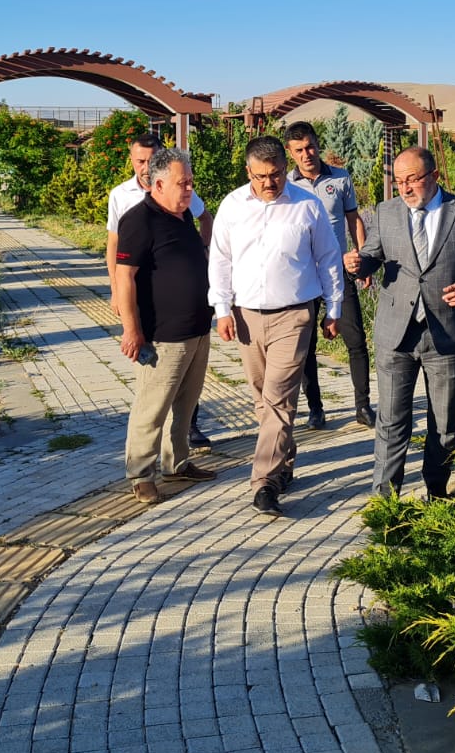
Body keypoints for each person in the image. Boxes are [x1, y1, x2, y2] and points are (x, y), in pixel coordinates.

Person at [345, 146, 455, 499]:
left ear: (434, 176)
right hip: (396, 334)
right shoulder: (386, 213)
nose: (405, 188)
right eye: (398, 181)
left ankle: (437, 493)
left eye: (412, 179)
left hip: (446, 334)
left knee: (444, 425)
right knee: (390, 421)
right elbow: (372, 256)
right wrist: (358, 266)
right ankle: (385, 501)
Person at [209, 135, 343, 517]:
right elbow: (220, 260)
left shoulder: (307, 206)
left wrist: (334, 309)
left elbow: (329, 258)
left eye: (278, 174)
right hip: (246, 315)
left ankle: (264, 483)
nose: (271, 183)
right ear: (248, 171)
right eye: (263, 176)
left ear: (286, 169)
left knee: (279, 400)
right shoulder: (232, 206)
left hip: (294, 314)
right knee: (262, 400)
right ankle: (283, 463)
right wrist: (221, 309)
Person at [114, 147, 218, 504]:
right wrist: (131, 329)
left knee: (187, 405)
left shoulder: (182, 215)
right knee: (152, 407)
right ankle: (141, 474)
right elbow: (124, 277)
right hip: (162, 336)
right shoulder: (138, 220)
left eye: (190, 182)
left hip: (198, 328)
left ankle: (177, 462)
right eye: (182, 183)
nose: (189, 189)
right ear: (158, 184)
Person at [284, 121, 374, 430]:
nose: (306, 154)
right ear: (290, 153)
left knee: (356, 339)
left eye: (310, 146)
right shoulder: (286, 186)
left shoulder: (341, 178)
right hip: (304, 277)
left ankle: (363, 406)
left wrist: (363, 258)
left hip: (339, 271)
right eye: (299, 150)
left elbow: (354, 220)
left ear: (317, 145)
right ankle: (315, 409)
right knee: (306, 346)